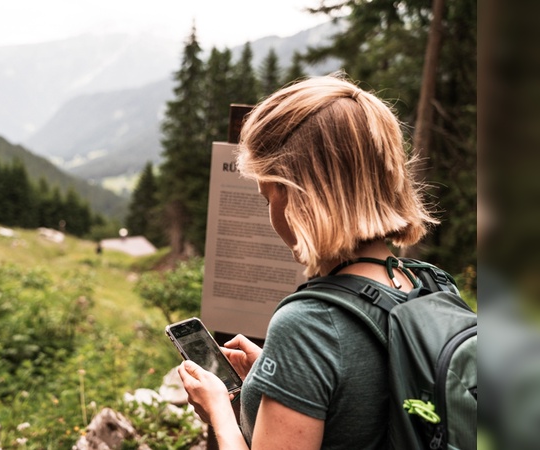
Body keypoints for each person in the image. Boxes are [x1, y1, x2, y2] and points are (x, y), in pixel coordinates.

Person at [178, 74, 438, 449]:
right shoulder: (429, 285)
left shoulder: (307, 326)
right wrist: (281, 373)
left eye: (268, 198)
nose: (271, 215)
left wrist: (219, 408)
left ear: (296, 194)